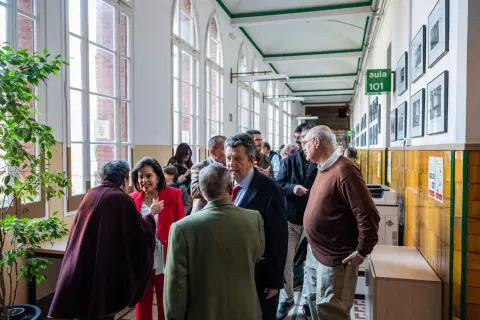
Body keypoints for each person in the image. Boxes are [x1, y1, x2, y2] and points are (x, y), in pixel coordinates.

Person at [48, 160, 159, 320]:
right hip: (103, 269)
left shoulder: (91, 193)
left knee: (83, 310)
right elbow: (140, 235)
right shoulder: (121, 200)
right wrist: (150, 215)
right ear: (124, 180)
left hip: (81, 261)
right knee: (102, 309)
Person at [164, 163, 265, 320]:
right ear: (231, 188)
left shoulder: (182, 228)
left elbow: (175, 286)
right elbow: (258, 255)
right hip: (246, 311)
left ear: (202, 192)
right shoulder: (254, 219)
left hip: (203, 312)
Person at [302, 126, 380, 319]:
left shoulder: (345, 169)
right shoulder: (323, 168)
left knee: (331, 310)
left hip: (335, 257)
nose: (303, 147)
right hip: (316, 251)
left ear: (317, 142)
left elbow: (367, 212)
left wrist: (363, 250)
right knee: (314, 302)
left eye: (305, 143)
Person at [225, 133, 288, 320]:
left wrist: (275, 280)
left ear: (252, 160)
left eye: (238, 158)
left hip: (261, 275)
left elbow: (278, 238)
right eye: (228, 158)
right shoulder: (225, 185)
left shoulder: (270, 190)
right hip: (233, 273)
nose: (231, 164)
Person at [130, 157, 185, 320]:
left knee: (165, 301)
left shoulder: (173, 194)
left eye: (148, 176)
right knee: (142, 300)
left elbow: (180, 227)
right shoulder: (132, 199)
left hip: (166, 255)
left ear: (158, 177)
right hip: (142, 257)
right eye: (140, 177)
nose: (144, 180)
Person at [276, 123, 318, 319]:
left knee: (311, 265)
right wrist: (293, 188)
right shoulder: (289, 161)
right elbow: (279, 183)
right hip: (291, 220)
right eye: (299, 140)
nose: (302, 143)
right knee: (286, 262)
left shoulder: (323, 163)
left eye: (305, 139)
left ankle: (309, 301)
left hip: (314, 222)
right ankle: (287, 298)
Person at [190, 135, 226, 213]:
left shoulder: (230, 166)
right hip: (203, 211)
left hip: (225, 211)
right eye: (223, 148)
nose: (227, 152)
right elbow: (194, 191)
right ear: (212, 151)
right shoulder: (200, 167)